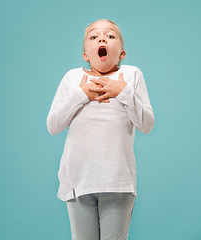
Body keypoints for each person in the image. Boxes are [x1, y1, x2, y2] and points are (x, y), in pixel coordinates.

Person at [46, 19, 154, 240]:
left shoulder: (131, 76)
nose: (102, 39)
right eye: (94, 37)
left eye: (110, 36)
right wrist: (82, 94)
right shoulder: (73, 78)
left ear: (122, 53)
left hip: (117, 181)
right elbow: (53, 125)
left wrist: (122, 91)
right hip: (78, 181)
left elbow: (147, 124)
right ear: (86, 54)